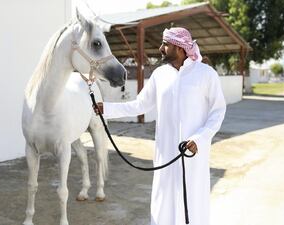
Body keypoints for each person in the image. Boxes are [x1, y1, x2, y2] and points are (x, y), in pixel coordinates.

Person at [94, 27, 226, 225]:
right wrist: (108, 109)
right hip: (165, 154)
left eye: (165, 44)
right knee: (163, 202)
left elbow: (218, 111)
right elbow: (140, 105)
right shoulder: (160, 74)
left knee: (193, 201)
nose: (160, 48)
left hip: (193, 155)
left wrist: (200, 138)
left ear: (179, 48)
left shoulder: (206, 74)